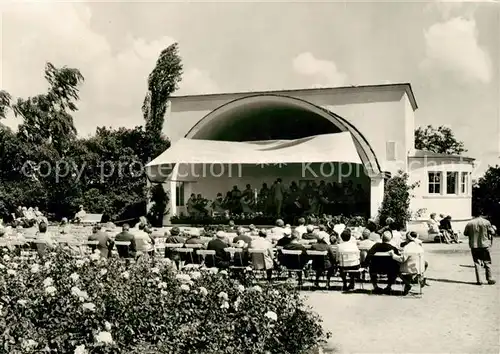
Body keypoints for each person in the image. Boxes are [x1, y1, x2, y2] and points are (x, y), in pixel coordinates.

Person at [463, 215, 496, 285]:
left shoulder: (470, 223)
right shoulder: (486, 222)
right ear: (481, 214)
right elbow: (492, 232)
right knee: (487, 261)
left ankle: (479, 280)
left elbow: (465, 233)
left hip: (474, 245)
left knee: (477, 263)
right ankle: (489, 278)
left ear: (473, 215)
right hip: (484, 245)